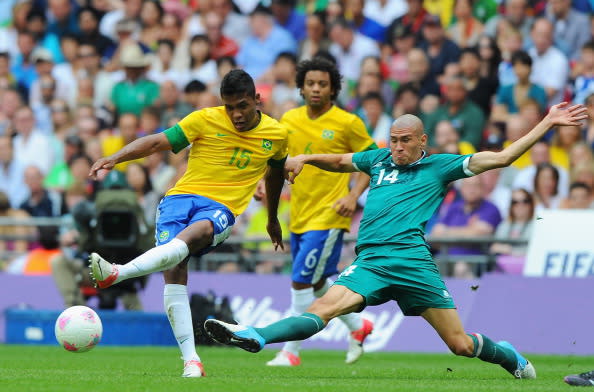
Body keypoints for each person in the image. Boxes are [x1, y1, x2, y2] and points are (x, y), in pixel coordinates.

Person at [204, 102, 588, 380]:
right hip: (370, 261)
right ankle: (254, 335)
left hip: (413, 263)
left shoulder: (440, 166)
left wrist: (548, 122)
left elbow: (504, 158)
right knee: (322, 310)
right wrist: (305, 157)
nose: (398, 147)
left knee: (460, 346)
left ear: (422, 141)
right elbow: (340, 162)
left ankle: (508, 356)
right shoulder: (379, 162)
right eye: (393, 140)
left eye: (405, 141)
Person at [87, 70, 289, 378]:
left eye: (243, 105)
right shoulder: (204, 119)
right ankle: (191, 361)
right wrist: (117, 157)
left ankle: (118, 272)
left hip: (221, 207)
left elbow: (275, 176)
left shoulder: (276, 135)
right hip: (179, 199)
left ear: (257, 100)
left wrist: (272, 217)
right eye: (229, 106)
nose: (236, 114)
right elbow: (157, 142)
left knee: (197, 233)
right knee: (175, 269)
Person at [266, 57, 376, 367]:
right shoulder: (288, 120)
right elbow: (276, 161)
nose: (316, 89)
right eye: (310, 83)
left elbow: (372, 161)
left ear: (333, 89)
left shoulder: (347, 122)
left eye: (323, 84)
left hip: (329, 216)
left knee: (300, 281)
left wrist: (354, 195)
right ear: (301, 87)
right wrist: (263, 186)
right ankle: (358, 326)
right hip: (299, 215)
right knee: (315, 284)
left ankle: (291, 352)